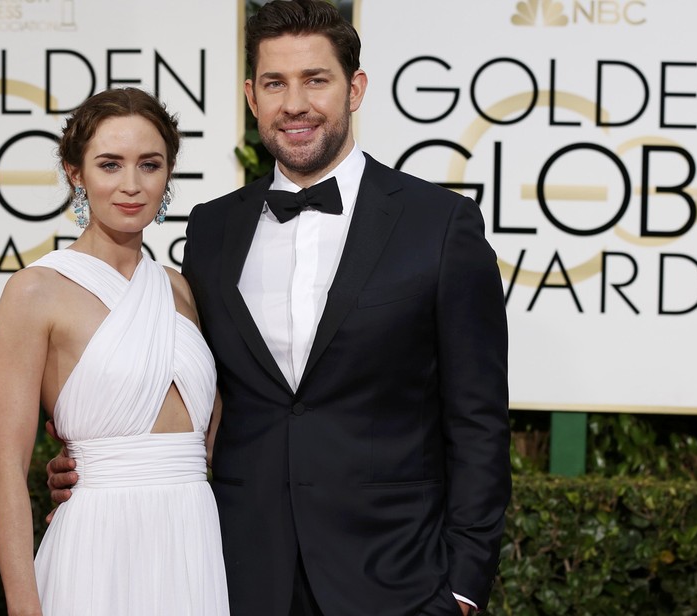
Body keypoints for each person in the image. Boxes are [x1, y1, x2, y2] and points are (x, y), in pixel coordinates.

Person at [47, 1, 511, 614]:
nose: (295, 103)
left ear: (356, 89)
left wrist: (462, 587)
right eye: (275, 83)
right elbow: (190, 389)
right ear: (251, 96)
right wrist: (102, 462)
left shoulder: (440, 226)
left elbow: (478, 420)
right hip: (237, 573)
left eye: (315, 80)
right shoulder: (212, 230)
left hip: (396, 579)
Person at [0, 87, 229, 616]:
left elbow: (213, 437)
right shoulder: (34, 291)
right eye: (109, 164)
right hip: (96, 542)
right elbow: (5, 468)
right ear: (76, 173)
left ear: (168, 174)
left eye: (149, 164)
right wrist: (24, 607)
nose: (131, 185)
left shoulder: (180, 289)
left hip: (193, 537)